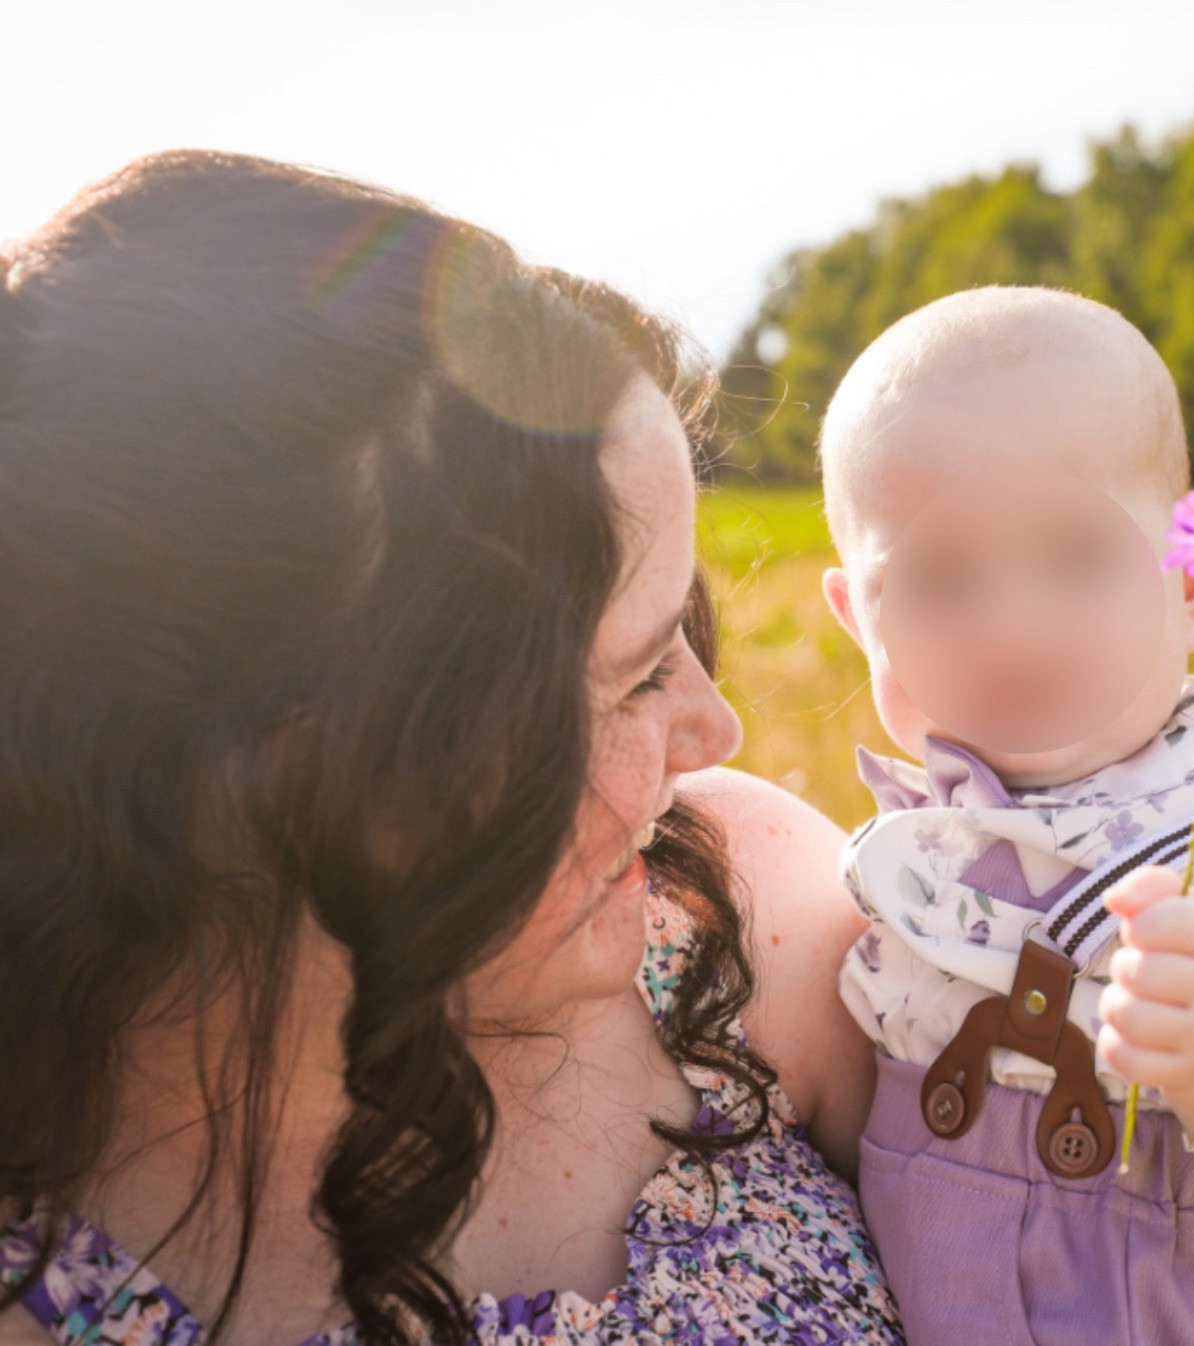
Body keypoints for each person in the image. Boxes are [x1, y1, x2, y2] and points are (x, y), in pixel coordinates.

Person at [0, 152, 902, 1346]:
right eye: (632, 676)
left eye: (683, 622)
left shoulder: (748, 918)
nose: (714, 731)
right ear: (292, 772)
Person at [818, 287, 1194, 1345]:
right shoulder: (905, 851)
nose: (1013, 625)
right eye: (938, 575)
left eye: (1079, 554)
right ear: (859, 615)